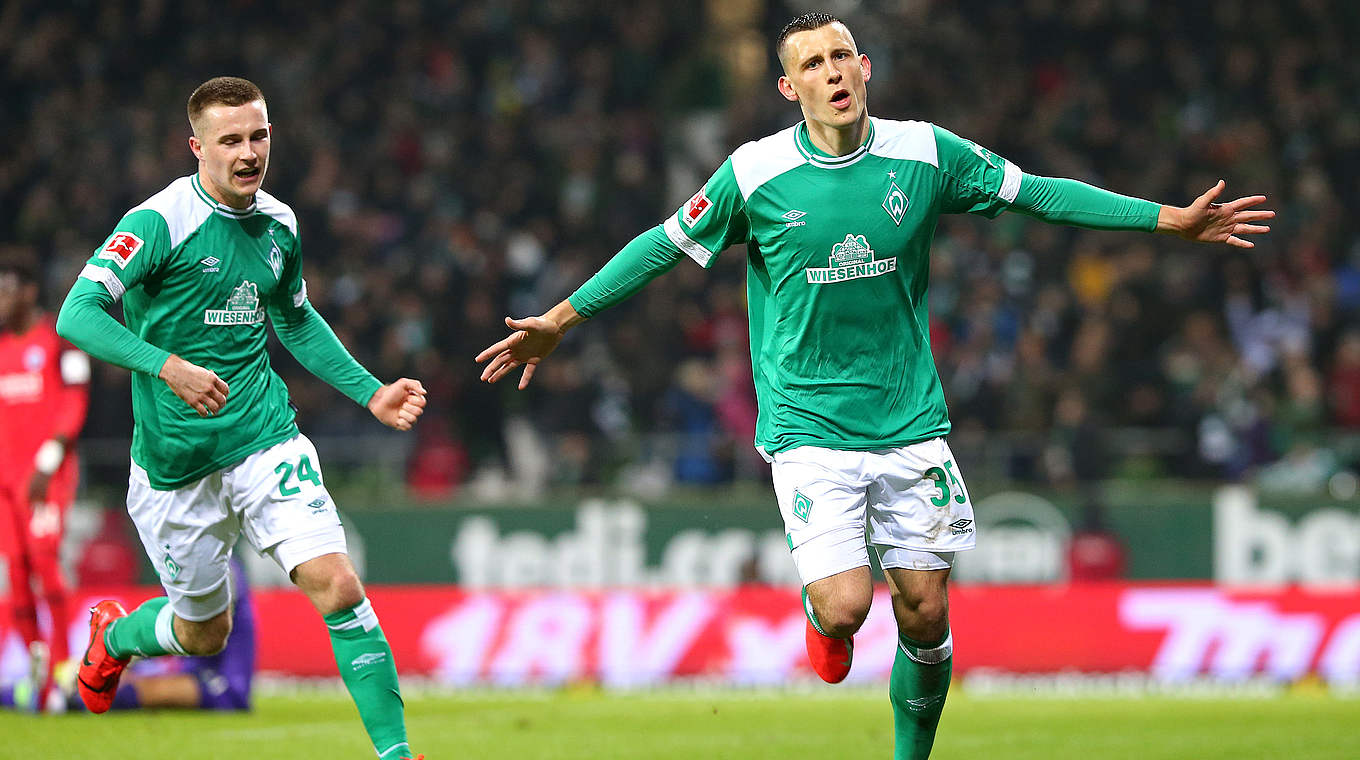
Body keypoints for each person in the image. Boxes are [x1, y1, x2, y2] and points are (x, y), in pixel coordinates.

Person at [475, 12, 1272, 759]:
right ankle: (825, 621)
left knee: (926, 610)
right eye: (811, 64)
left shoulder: (925, 154)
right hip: (806, 426)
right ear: (789, 88)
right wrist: (560, 319)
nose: (832, 73)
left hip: (908, 423)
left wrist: (1169, 220)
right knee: (847, 606)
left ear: (865, 66)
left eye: (840, 57)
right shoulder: (755, 173)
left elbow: (1039, 195)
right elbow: (660, 245)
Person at [55, 77, 426, 760]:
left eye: (258, 136)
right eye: (230, 140)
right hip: (174, 469)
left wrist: (368, 391)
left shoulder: (280, 224)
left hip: (264, 439)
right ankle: (113, 638)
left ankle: (397, 754)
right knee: (204, 635)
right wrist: (166, 365)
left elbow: (296, 318)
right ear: (196, 147)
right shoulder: (158, 222)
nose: (248, 152)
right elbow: (75, 314)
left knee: (339, 586)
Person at [0, 253, 90, 711]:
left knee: (46, 569)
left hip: (44, 479)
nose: (0, 300)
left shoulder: (59, 339)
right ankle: (38, 675)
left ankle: (62, 670)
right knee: (16, 580)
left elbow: (75, 399)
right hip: (5, 483)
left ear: (29, 292)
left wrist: (49, 460)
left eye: (7, 290)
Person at [2, 556, 256, 713]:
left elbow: (203, 631)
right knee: (116, 679)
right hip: (190, 671)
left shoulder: (219, 567)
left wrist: (126, 662)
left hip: (225, 683)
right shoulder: (177, 566)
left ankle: (62, 701)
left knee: (125, 691)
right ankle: (33, 694)